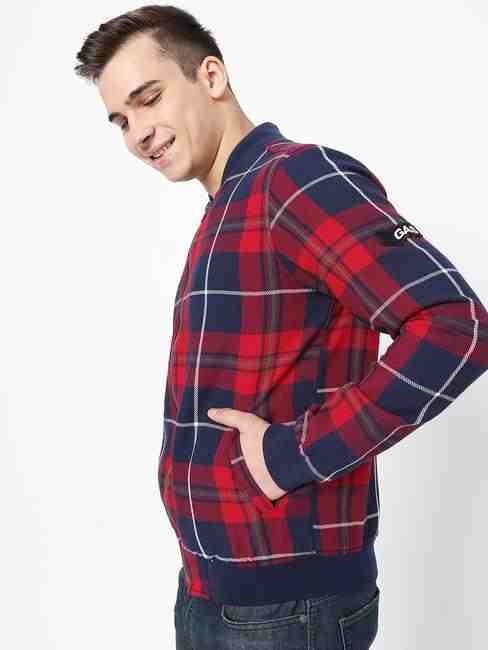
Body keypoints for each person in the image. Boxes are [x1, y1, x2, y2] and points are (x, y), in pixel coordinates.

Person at [74, 5, 488, 648]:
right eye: (121, 120)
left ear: (211, 76)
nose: (139, 134)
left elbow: (457, 327)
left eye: (148, 99)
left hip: (288, 609)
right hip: (214, 592)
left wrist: (292, 454)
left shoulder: (296, 180)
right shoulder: (228, 204)